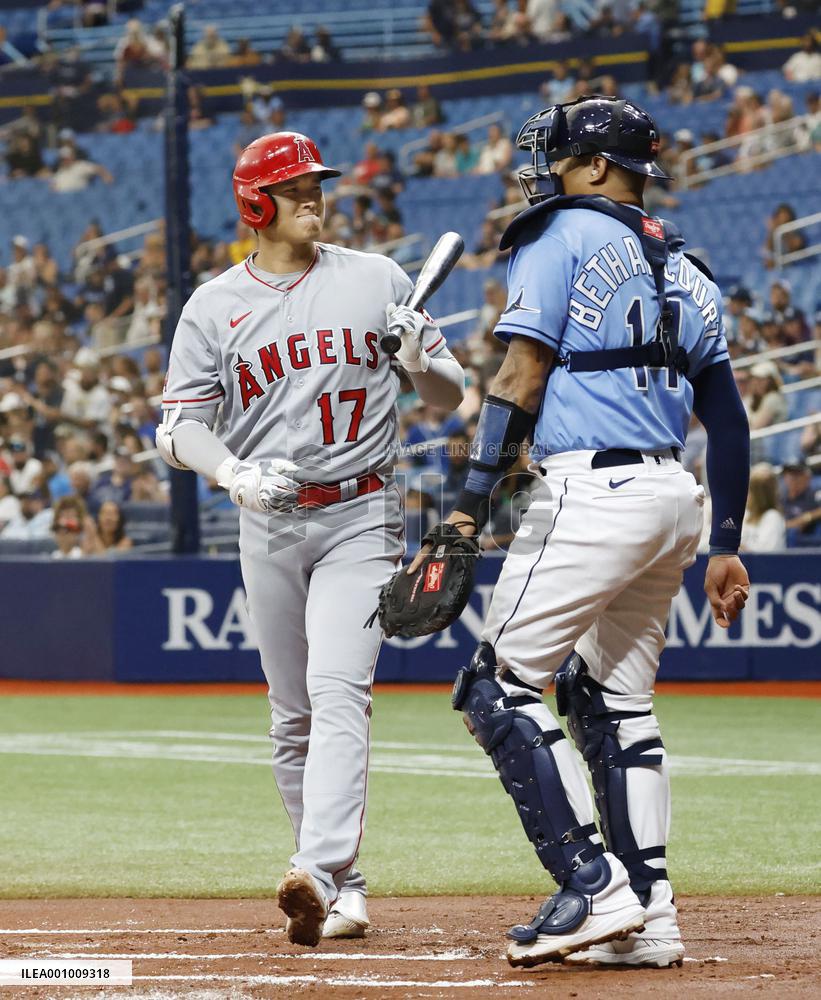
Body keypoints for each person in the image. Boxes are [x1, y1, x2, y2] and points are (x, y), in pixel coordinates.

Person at [410, 96, 750, 969]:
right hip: (671, 496)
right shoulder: (689, 264)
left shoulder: (556, 233)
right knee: (613, 703)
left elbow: (520, 375)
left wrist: (462, 511)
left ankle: (592, 886)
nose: (544, 170)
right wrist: (725, 543)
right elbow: (729, 415)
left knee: (496, 687)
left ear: (597, 166)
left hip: (591, 491)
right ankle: (654, 915)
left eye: (557, 156)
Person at [155, 131, 464, 947]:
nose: (313, 197)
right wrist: (233, 475)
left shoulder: (376, 279)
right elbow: (179, 427)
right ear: (255, 204)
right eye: (294, 188)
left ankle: (316, 869)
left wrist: (415, 360)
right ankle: (344, 885)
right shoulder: (212, 305)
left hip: (361, 513)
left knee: (337, 693)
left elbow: (449, 397)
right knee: (291, 717)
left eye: (316, 184)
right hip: (267, 519)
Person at [741, 463, 786, 551]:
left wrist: (737, 548)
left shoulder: (773, 517)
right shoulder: (745, 515)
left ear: (759, 496)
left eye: (749, 491)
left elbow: (766, 553)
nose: (745, 496)